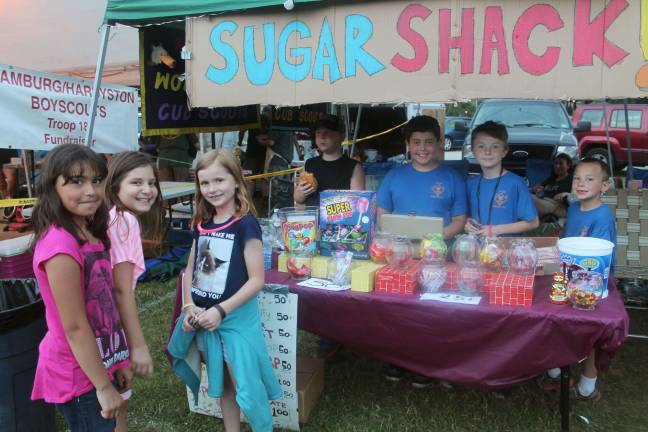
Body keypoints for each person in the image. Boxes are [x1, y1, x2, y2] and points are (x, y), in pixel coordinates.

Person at [167, 149, 281, 432]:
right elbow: (189, 272)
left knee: (247, 388)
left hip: (234, 321)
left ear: (236, 181)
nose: (212, 189)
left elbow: (257, 280)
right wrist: (189, 306)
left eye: (219, 180)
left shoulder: (246, 225)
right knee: (223, 385)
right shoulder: (202, 225)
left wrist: (220, 310)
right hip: (206, 321)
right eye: (205, 183)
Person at [30, 144, 129, 431]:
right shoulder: (60, 244)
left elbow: (104, 309)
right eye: (76, 181)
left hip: (98, 361)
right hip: (78, 374)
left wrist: (116, 361)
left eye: (97, 180)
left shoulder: (89, 231)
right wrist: (103, 385)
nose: (91, 191)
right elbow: (74, 326)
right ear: (53, 187)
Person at [541, 158, 616, 402]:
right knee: (553, 319)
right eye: (577, 178)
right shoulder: (573, 209)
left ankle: (588, 385)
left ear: (604, 186)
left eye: (590, 179)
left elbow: (596, 257)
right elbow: (567, 239)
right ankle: (556, 371)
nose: (581, 183)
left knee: (590, 332)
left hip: (593, 283)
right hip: (566, 274)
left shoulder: (603, 216)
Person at [105, 151, 165, 432]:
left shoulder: (114, 216)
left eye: (152, 183)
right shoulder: (122, 221)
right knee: (117, 407)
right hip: (108, 328)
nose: (147, 190)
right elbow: (121, 291)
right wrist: (137, 347)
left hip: (104, 324)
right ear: (115, 185)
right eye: (136, 182)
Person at [377, 115, 467, 240]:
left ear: (438, 142)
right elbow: (382, 216)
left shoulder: (454, 178)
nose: (422, 148)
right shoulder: (393, 176)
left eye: (429, 142)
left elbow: (459, 221)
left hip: (439, 250)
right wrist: (398, 240)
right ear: (408, 144)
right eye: (416, 142)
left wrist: (433, 240)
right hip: (399, 249)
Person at [465, 121, 539, 236]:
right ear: (473, 152)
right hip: (478, 249)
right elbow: (466, 216)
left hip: (506, 250)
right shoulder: (470, 184)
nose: (487, 152)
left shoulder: (516, 183)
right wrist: (467, 222)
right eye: (481, 146)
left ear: (504, 151)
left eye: (495, 146)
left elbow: (533, 223)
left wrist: (494, 230)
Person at [294, 114, 365, 207]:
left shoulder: (354, 167)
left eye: (327, 132)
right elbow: (299, 200)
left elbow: (357, 204)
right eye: (318, 132)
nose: (322, 137)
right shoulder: (310, 163)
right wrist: (300, 193)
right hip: (313, 220)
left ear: (342, 136)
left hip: (341, 220)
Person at [532, 153, 574, 219]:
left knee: (530, 200)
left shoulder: (572, 180)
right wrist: (535, 189)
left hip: (558, 206)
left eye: (561, 163)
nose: (557, 166)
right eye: (556, 163)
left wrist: (565, 194)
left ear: (568, 166)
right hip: (542, 201)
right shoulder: (551, 179)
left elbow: (577, 197)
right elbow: (536, 188)